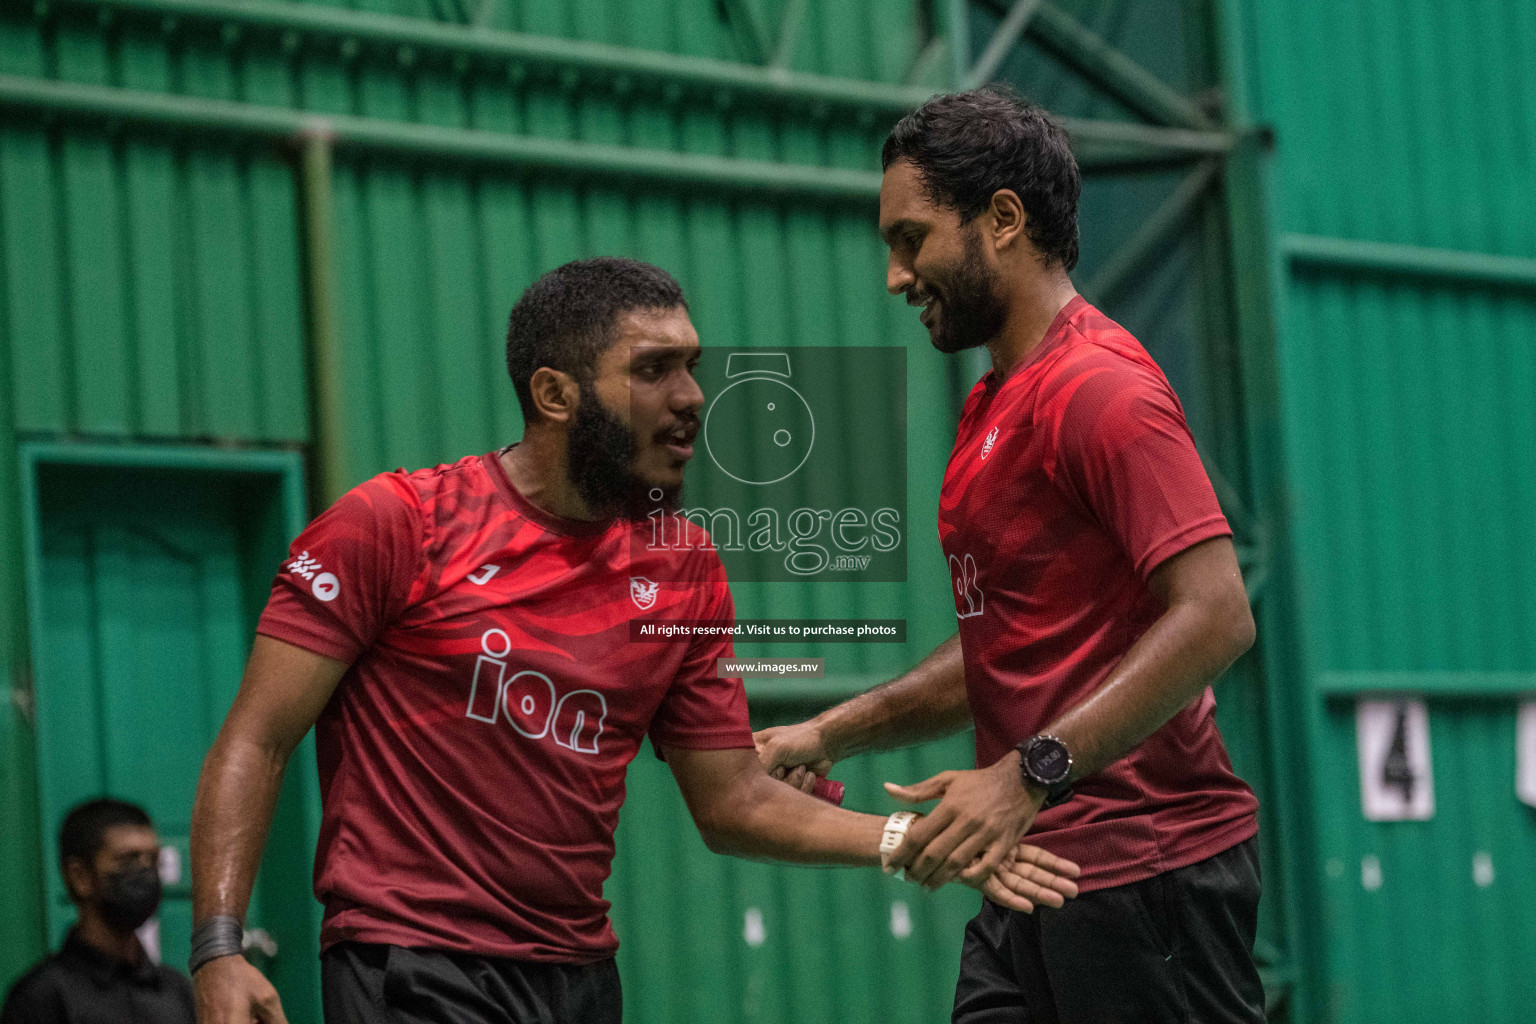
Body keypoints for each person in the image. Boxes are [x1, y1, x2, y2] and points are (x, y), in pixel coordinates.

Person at [188, 257, 1081, 1024]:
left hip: (579, 977)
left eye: (692, 367)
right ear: (553, 394)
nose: (692, 397)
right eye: (654, 370)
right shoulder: (398, 524)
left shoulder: (682, 565)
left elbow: (733, 801)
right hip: (414, 964)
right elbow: (257, 739)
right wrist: (218, 947)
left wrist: (912, 838)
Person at [756, 88, 1266, 1023]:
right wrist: (831, 733)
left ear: (1001, 219)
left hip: (1144, 874)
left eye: (911, 239)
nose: (896, 276)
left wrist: (1024, 773)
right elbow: (1010, 646)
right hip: (1031, 871)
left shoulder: (1100, 391)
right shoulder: (995, 404)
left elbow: (1218, 611)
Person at [1, 798, 194, 1024]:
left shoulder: (175, 989)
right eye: (127, 860)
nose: (145, 871)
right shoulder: (43, 997)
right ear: (80, 877)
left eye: (152, 860)